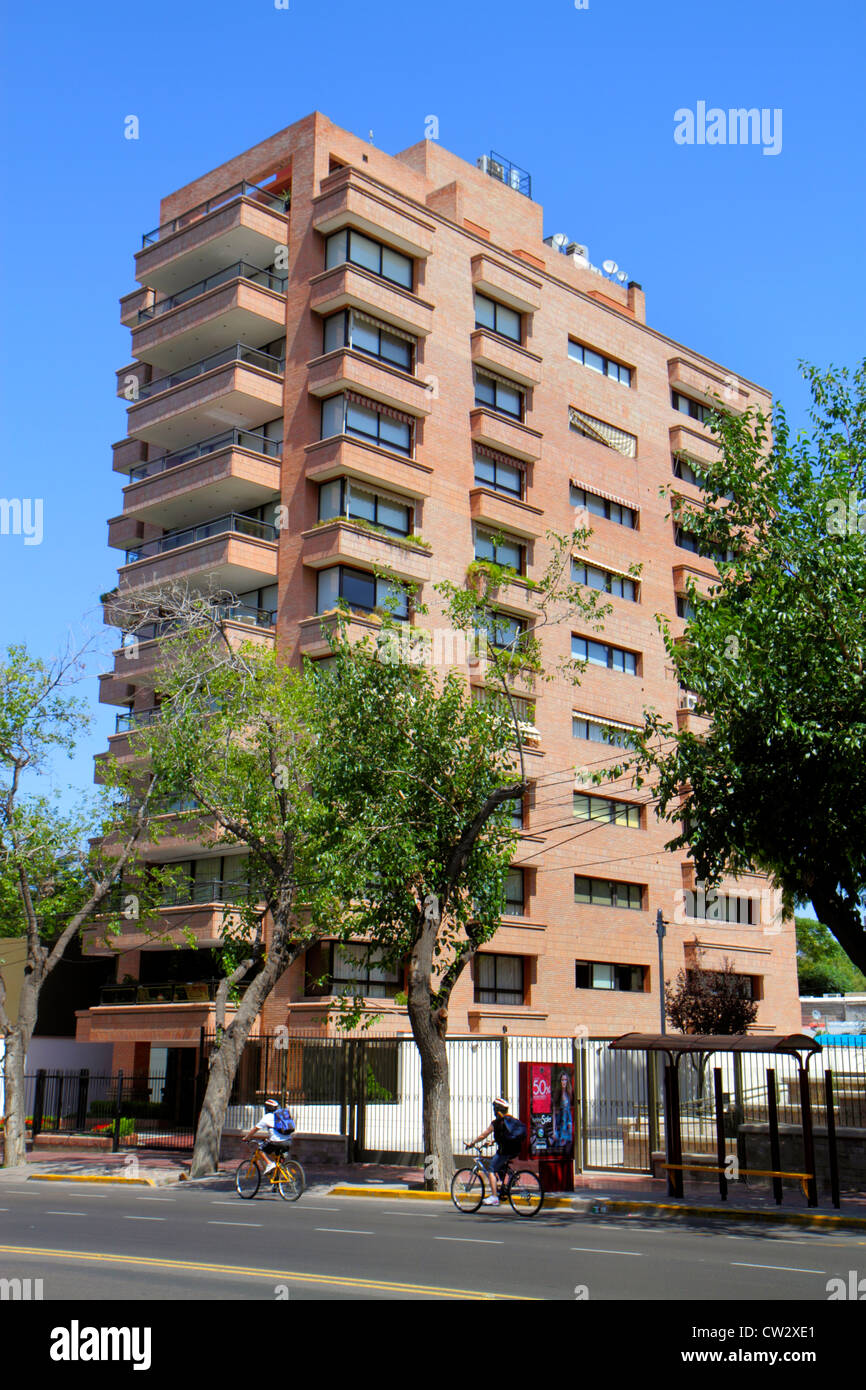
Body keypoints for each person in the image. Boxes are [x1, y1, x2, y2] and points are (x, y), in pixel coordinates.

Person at [466, 1097, 523, 1206]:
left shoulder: (497, 1122)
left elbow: (484, 1135)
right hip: (515, 1150)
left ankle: (494, 1197)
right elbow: (507, 1135)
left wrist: (472, 1143)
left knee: (491, 1169)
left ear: (497, 1110)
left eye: (494, 1108)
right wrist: (492, 1142)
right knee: (497, 1162)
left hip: (505, 1151)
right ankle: (508, 1182)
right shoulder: (511, 1120)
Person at [242, 1098, 294, 1175]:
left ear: (267, 1108)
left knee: (260, 1149)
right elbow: (277, 1130)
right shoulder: (280, 1116)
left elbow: (255, 1129)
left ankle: (269, 1163)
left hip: (276, 1142)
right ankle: (277, 1184)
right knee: (278, 1162)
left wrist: (246, 1138)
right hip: (288, 1141)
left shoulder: (267, 1117)